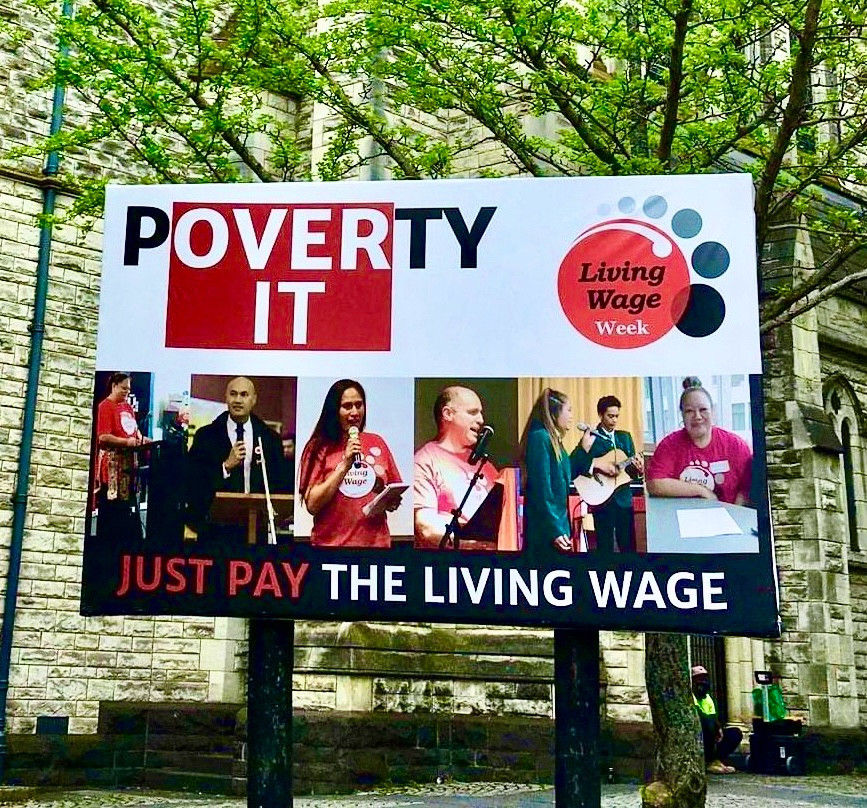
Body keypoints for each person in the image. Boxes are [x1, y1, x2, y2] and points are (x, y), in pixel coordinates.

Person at [298, 379, 403, 548]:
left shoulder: (377, 442)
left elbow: (392, 489)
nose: (355, 412)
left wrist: (390, 500)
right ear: (334, 410)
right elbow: (312, 505)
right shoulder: (318, 447)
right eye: (347, 406)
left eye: (359, 405)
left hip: (376, 546)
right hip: (332, 547)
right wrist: (345, 465)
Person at [185, 376, 291, 537]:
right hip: (215, 527)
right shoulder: (206, 436)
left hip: (258, 526)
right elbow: (192, 479)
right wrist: (225, 466)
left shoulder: (269, 439)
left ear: (254, 399)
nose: (238, 400)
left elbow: (280, 482)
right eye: (233, 394)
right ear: (226, 398)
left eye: (244, 395)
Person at [413, 385, 500, 548]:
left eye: (480, 413)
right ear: (448, 414)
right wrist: (471, 545)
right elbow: (426, 527)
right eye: (472, 412)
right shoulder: (425, 461)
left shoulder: (486, 466)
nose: (481, 420)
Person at [646, 377, 752, 505]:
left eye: (703, 410)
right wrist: (700, 490)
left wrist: (734, 515)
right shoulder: (669, 445)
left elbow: (746, 489)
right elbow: (654, 484)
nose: (697, 416)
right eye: (689, 411)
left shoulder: (736, 445)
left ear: (713, 412)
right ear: (682, 415)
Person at [571, 395, 643, 554]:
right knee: (605, 546)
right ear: (600, 415)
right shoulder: (591, 438)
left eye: (617, 416)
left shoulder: (624, 438)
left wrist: (638, 470)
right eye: (610, 416)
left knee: (629, 546)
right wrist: (599, 466)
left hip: (624, 500)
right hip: (602, 499)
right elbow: (577, 465)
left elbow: (629, 472)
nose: (614, 420)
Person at [94, 372, 151, 539]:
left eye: (129, 389)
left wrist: (143, 440)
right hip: (112, 464)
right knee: (112, 507)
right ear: (114, 386)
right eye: (124, 388)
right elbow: (103, 436)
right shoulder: (104, 406)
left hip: (128, 464)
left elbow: (134, 431)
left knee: (127, 504)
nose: (127, 392)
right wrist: (126, 442)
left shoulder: (127, 407)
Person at [692, 665, 743, 774]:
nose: (703, 682)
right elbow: (699, 715)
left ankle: (717, 760)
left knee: (735, 733)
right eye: (699, 679)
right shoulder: (690, 696)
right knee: (707, 724)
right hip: (696, 733)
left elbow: (714, 717)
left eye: (704, 679)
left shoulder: (707, 698)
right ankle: (708, 762)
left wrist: (719, 729)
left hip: (710, 732)